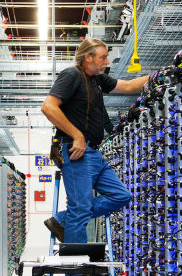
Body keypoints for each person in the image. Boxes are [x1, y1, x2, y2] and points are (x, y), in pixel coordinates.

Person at [41, 38, 149, 243]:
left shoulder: (97, 79)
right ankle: (76, 272)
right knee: (80, 209)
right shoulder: (72, 75)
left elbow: (127, 86)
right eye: (103, 57)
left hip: (93, 153)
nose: (107, 61)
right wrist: (77, 135)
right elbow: (48, 107)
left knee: (121, 196)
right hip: (75, 151)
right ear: (87, 57)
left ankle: (62, 219)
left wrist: (157, 76)